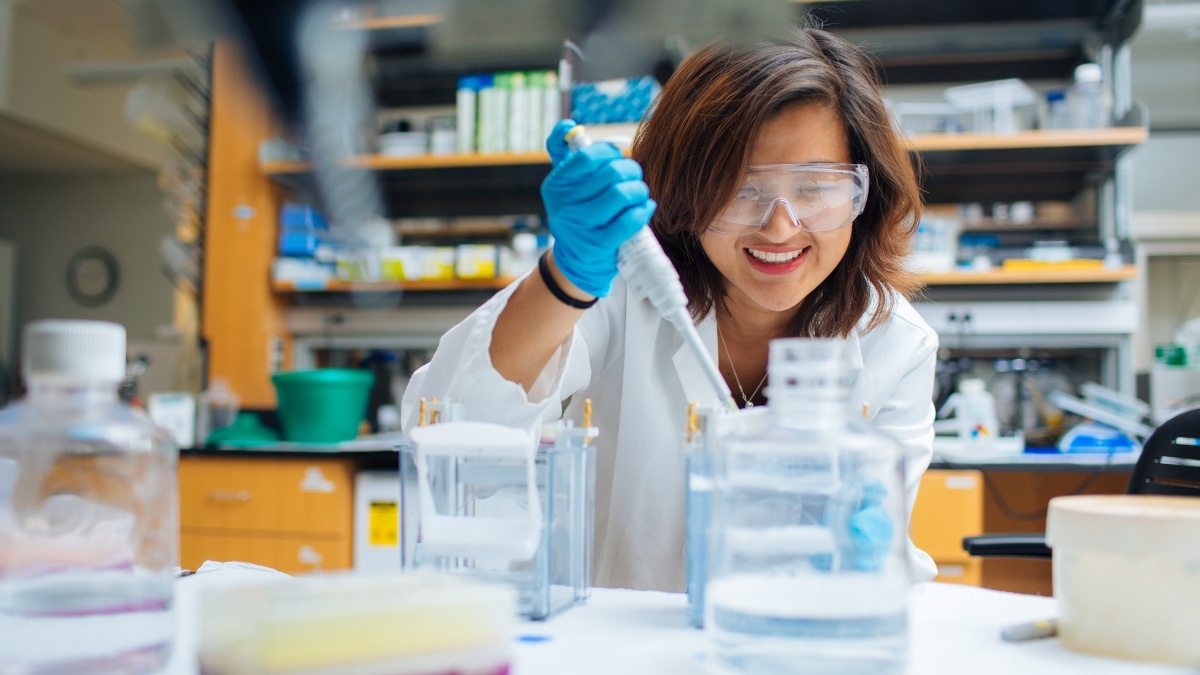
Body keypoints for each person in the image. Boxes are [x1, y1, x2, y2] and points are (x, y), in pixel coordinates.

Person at [402, 26, 939, 591]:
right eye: (741, 188)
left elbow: (878, 554)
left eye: (815, 187)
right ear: (686, 189)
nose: (780, 227)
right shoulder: (620, 296)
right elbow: (444, 425)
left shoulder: (894, 343)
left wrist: (871, 554)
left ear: (864, 194)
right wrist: (567, 278)